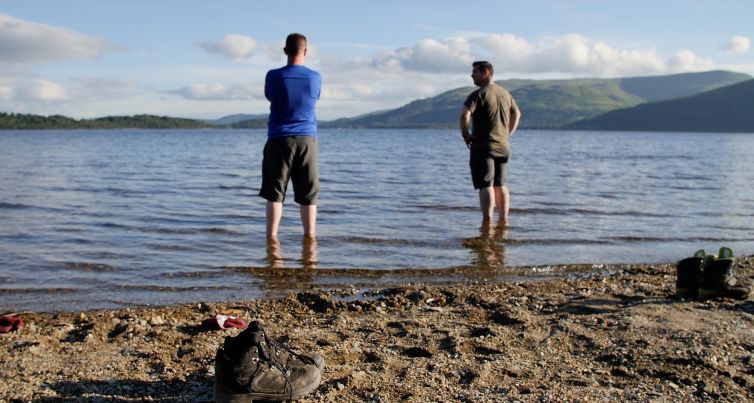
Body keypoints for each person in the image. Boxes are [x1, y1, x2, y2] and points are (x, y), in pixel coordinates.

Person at [259, 33, 322, 242]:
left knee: (274, 195)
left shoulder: (273, 76)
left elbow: (270, 96)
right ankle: (309, 240)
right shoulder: (315, 77)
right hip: (307, 141)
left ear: (285, 50)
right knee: (308, 196)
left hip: (278, 139)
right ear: (305, 51)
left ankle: (271, 241)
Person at [459, 61, 521, 224]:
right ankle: (503, 219)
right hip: (503, 147)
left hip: (483, 147)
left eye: (475, 72)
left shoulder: (479, 94)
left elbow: (465, 115)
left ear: (485, 72)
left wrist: (466, 134)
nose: (472, 75)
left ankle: (487, 221)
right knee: (501, 184)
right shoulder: (505, 93)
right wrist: (508, 134)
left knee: (485, 184)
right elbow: (517, 114)